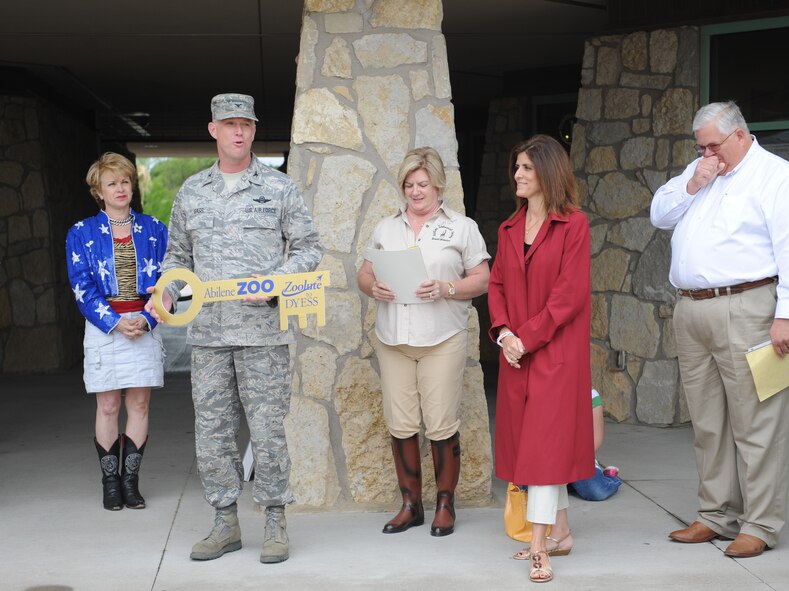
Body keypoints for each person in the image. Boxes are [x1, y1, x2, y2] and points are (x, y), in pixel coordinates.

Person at [147, 93, 322, 563]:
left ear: (253, 129)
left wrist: (276, 285)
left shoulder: (279, 188)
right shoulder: (191, 192)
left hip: (263, 333)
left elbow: (308, 248)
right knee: (213, 431)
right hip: (207, 337)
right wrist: (165, 294)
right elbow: (177, 259)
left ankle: (274, 522)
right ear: (213, 130)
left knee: (267, 431)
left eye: (245, 123)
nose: (238, 131)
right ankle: (225, 522)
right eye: (229, 124)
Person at [651, 101, 789, 558]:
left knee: (759, 422)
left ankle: (760, 523)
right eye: (700, 146)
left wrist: (788, 314)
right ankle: (716, 514)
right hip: (693, 308)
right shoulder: (701, 169)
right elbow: (659, 215)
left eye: (713, 145)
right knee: (707, 423)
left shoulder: (779, 178)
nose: (707, 153)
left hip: (750, 308)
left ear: (740, 134)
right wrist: (692, 182)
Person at [357, 147, 490, 537]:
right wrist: (373, 287)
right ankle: (410, 505)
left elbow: (481, 279)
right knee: (400, 424)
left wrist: (448, 287)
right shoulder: (386, 228)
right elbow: (365, 274)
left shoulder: (462, 227)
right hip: (393, 338)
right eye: (409, 185)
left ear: (438, 185)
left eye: (423, 184)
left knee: (441, 423)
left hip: (442, 337)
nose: (415, 192)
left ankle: (445, 504)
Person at [488, 134, 593, 583]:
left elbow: (568, 297)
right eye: (516, 168)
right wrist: (506, 335)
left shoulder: (574, 226)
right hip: (517, 354)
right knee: (532, 446)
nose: (518, 175)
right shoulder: (508, 229)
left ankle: (537, 543)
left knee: (546, 449)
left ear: (548, 172)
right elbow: (496, 287)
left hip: (556, 356)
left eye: (527, 168)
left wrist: (524, 339)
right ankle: (562, 533)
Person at [66, 152, 168, 511]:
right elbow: (81, 287)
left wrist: (149, 318)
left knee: (138, 404)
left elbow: (168, 283)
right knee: (108, 406)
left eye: (125, 181)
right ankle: (110, 484)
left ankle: (130, 482)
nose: (120, 188)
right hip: (103, 327)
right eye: (112, 183)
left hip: (143, 323)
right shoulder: (81, 233)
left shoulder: (155, 228)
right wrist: (113, 321)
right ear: (98, 191)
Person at [510, 389, 621, 560]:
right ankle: (560, 534)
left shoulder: (591, 395)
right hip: (556, 462)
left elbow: (596, 440)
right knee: (533, 478)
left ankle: (611, 477)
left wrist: (570, 464)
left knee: (594, 490)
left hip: (580, 460)